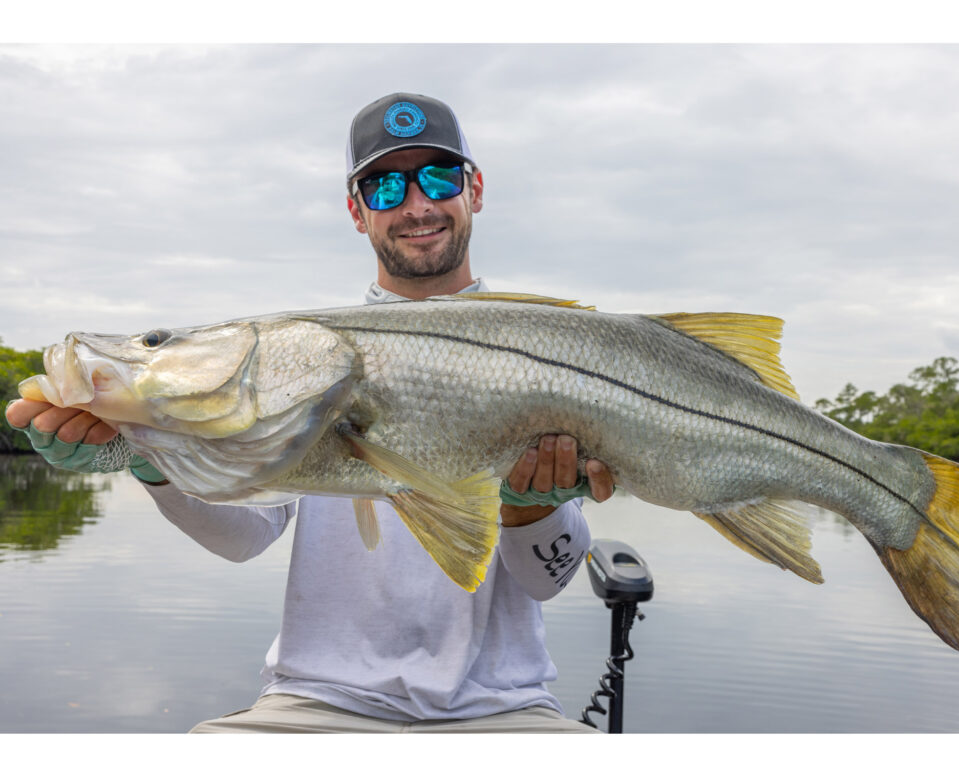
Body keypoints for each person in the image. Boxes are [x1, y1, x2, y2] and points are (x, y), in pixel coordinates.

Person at [5, 92, 615, 733]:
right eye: (383, 187)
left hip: (507, 709)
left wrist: (533, 504)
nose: (416, 205)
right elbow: (243, 537)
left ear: (476, 189)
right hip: (317, 704)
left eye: (438, 177)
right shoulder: (300, 367)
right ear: (356, 211)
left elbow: (551, 579)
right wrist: (150, 456)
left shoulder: (549, 349)